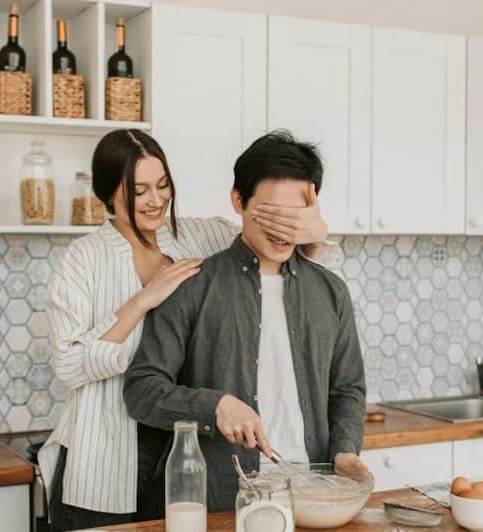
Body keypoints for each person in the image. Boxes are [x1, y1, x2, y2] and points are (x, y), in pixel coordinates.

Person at [38, 129, 340, 531]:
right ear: (108, 193)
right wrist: (143, 300)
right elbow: (69, 365)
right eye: (139, 189)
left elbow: (268, 243)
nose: (156, 199)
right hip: (104, 453)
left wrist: (318, 234)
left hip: (177, 455)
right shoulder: (84, 259)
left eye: (163, 185)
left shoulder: (200, 235)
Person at [124, 131, 368, 513]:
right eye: (271, 212)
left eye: (296, 214)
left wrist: (345, 450)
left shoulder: (331, 291)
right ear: (238, 201)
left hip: (314, 498)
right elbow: (141, 391)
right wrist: (214, 405)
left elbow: (347, 390)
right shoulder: (193, 286)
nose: (283, 227)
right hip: (221, 501)